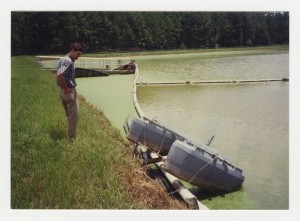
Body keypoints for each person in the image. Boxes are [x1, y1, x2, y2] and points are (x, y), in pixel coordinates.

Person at [56, 43, 83, 139]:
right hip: (69, 91)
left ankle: (71, 134)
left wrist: (63, 88)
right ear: (72, 50)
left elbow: (58, 73)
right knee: (74, 117)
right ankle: (72, 138)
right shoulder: (69, 62)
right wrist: (66, 88)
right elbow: (60, 74)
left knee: (69, 115)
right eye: (78, 54)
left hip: (63, 91)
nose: (78, 57)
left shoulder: (62, 59)